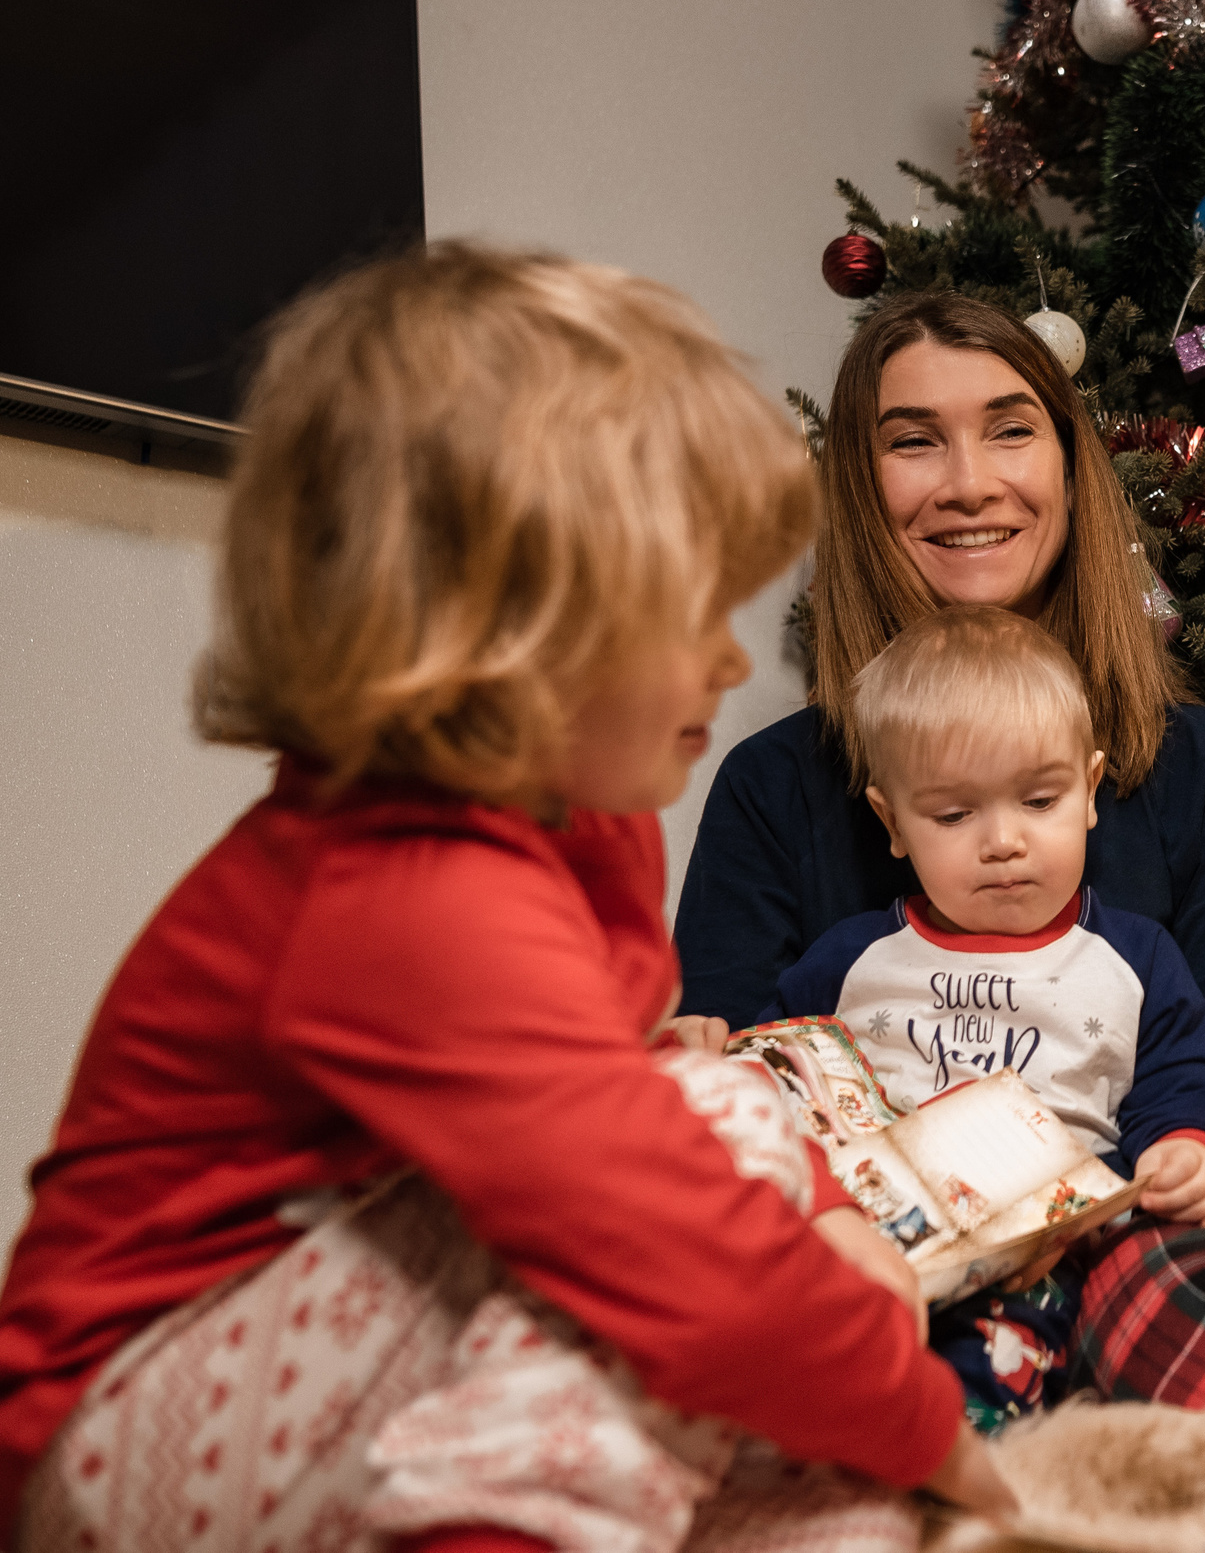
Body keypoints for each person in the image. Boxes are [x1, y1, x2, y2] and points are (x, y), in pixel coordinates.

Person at [0, 244, 1016, 1550]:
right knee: (709, 1131)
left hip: (302, 1410)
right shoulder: (401, 888)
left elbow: (623, 1082)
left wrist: (831, 1219)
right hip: (107, 1439)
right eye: (692, 611)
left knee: (832, 1490)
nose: (726, 653)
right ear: (513, 632)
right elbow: (669, 1239)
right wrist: (929, 1422)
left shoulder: (587, 823)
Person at [674, 292, 1205, 1208]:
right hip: (863, 1255)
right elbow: (738, 1086)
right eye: (913, 440)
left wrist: (1042, 1224)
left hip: (1121, 1245)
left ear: (1069, 465)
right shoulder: (774, 786)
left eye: (1010, 430)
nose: (968, 483)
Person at [753, 605, 1205, 1427]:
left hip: (1052, 1248)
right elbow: (772, 1069)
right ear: (892, 824)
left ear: (1090, 794)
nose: (1003, 841)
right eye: (952, 816)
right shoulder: (850, 961)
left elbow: (1182, 1084)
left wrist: (1187, 1149)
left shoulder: (1132, 959)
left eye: (1040, 800)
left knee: (1022, 1348)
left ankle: (951, 1450)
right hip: (873, 1239)